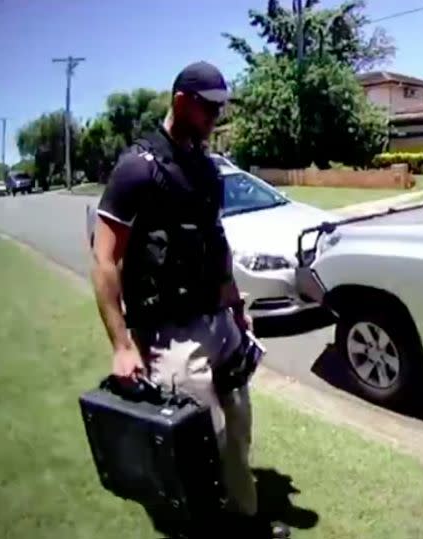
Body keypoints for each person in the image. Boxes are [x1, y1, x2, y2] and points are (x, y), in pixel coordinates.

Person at [91, 61, 289, 539]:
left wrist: (239, 313)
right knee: (199, 446)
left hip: (218, 323)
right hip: (169, 333)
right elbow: (105, 259)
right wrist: (121, 344)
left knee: (237, 430)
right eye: (209, 109)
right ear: (181, 102)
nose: (216, 119)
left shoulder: (204, 168)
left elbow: (215, 245)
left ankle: (245, 521)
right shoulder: (137, 168)